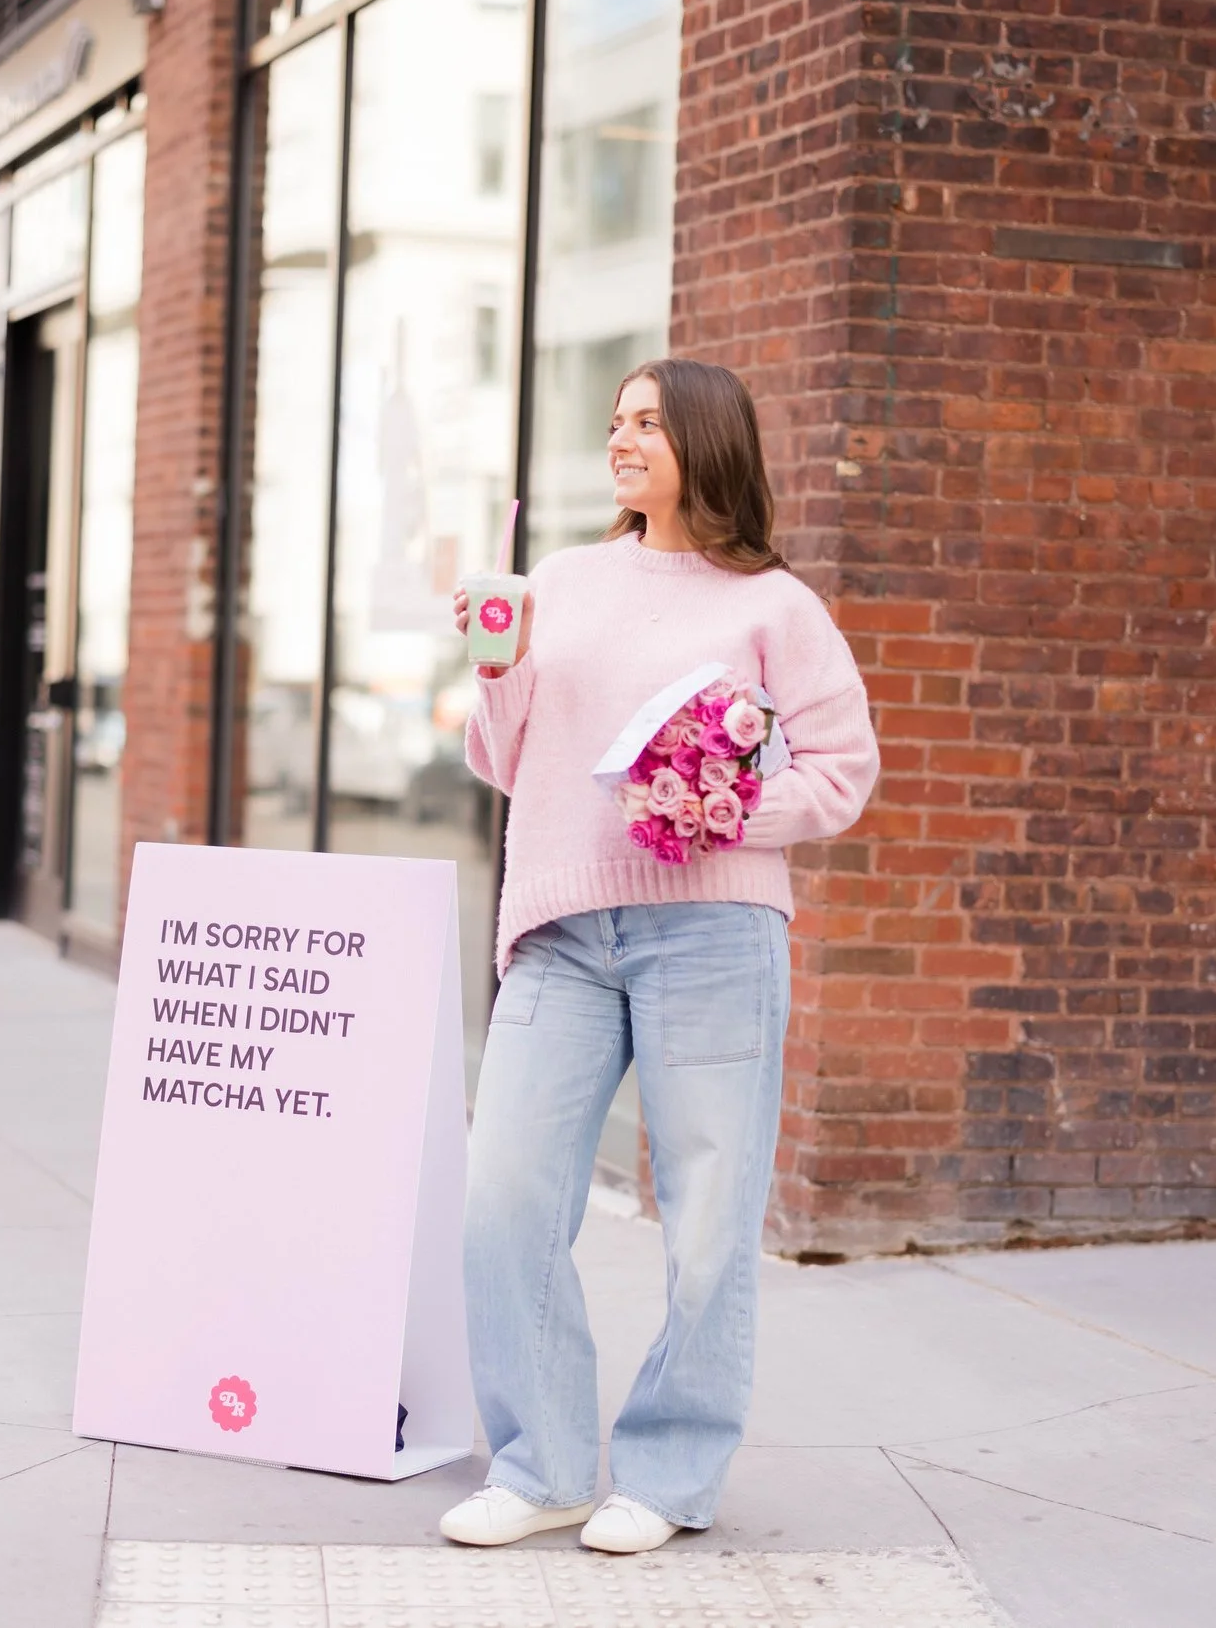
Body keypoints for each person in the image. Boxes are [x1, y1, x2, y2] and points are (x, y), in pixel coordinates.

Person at [439, 358, 879, 1554]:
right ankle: (542, 1467)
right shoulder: (562, 579)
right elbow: (501, 757)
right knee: (502, 1197)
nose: (620, 438)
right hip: (562, 933)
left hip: (712, 934)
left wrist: (724, 808)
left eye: (645, 422)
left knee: (704, 1218)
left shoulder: (774, 604)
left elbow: (841, 769)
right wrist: (497, 669)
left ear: (702, 440)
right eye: (615, 420)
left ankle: (672, 1471)